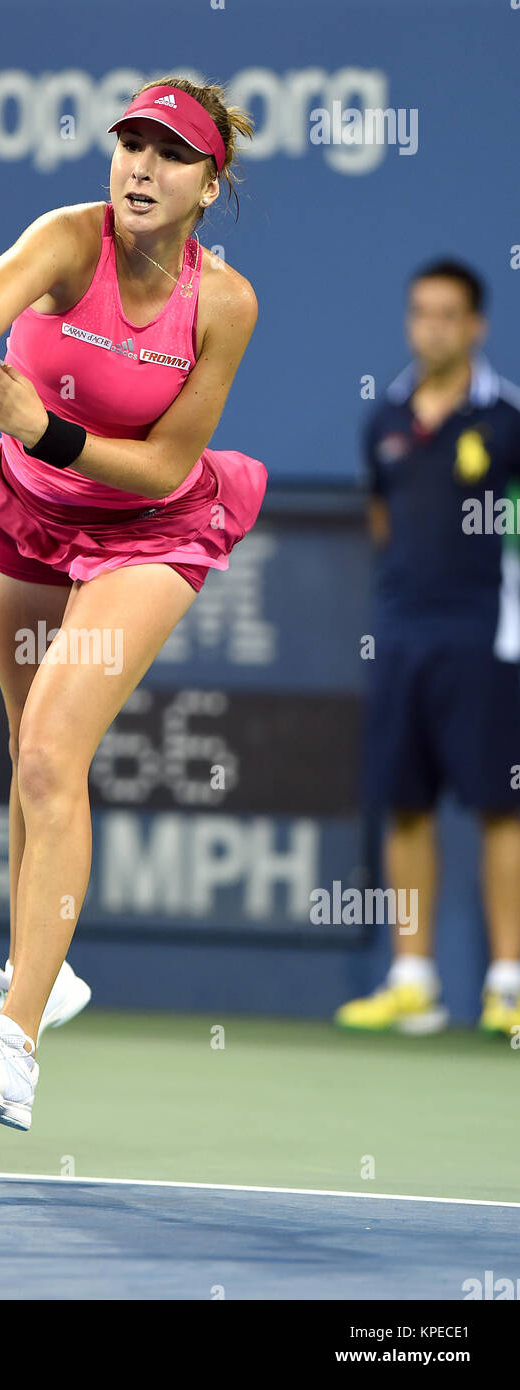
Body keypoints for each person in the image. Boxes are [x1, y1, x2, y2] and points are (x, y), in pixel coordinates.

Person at [0, 77, 267, 1127]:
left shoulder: (222, 303)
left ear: (208, 186)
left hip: (150, 527)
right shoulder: (63, 239)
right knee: (27, 751)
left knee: (51, 750)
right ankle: (47, 963)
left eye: (170, 154)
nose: (141, 166)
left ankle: (15, 1040)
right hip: (33, 513)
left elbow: (168, 464)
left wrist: (41, 427)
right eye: (131, 144)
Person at [336, 260, 520, 1037]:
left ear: (475, 326)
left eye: (448, 315)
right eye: (420, 313)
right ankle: (413, 980)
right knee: (403, 802)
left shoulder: (509, 419)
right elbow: (382, 523)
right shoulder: (382, 420)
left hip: (487, 634)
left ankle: (506, 984)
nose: (432, 327)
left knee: (499, 806)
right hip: (401, 631)